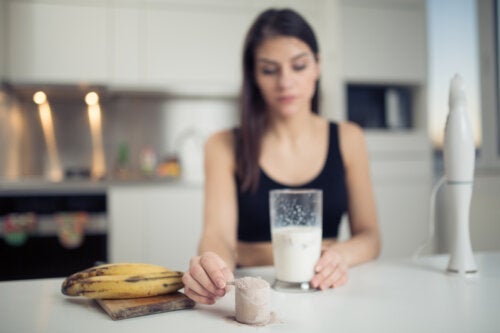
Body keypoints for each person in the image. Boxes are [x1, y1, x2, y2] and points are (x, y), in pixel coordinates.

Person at [182, 8, 381, 305]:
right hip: (254, 294)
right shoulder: (222, 145)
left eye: (299, 66)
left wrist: (342, 254)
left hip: (327, 293)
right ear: (254, 76)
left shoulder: (349, 139)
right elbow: (218, 236)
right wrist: (213, 268)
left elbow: (370, 236)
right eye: (269, 70)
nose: (285, 82)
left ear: (317, 66)